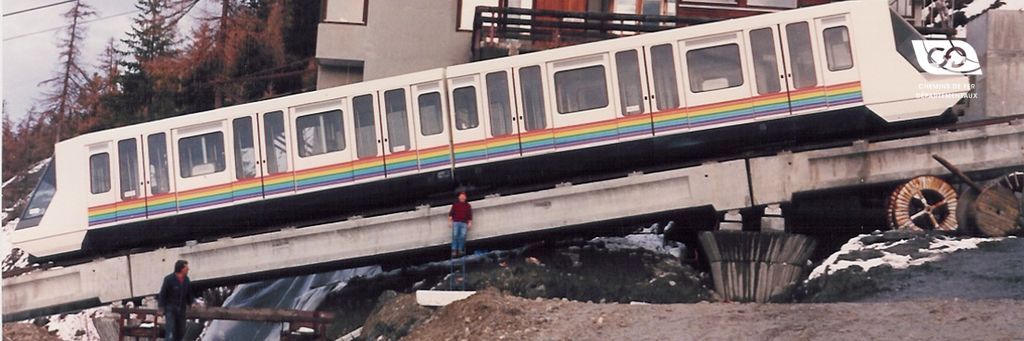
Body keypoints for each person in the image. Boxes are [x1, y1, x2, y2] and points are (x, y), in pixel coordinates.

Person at [158, 260, 194, 341]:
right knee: (171, 330)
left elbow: (189, 294)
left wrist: (192, 303)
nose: (188, 269)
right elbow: (163, 294)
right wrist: (161, 307)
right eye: (186, 267)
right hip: (171, 309)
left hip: (181, 309)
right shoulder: (169, 279)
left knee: (181, 332)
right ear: (181, 269)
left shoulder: (186, 280)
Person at [448, 191, 473, 257]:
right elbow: (451, 213)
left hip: (464, 223)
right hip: (456, 222)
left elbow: (469, 215)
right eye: (461, 196)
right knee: (455, 235)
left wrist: (470, 223)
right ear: (459, 197)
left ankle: (460, 249)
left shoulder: (468, 205)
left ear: (466, 198)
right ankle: (454, 250)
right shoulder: (455, 204)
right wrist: (450, 222)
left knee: (462, 236)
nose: (462, 198)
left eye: (464, 196)